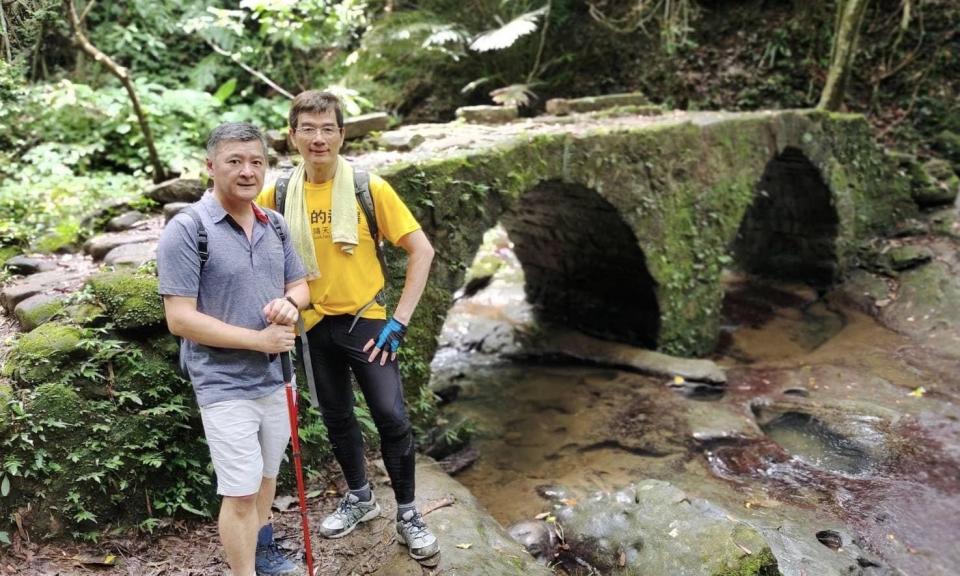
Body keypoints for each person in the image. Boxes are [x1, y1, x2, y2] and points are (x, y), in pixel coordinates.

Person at [255, 90, 439, 561]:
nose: (319, 138)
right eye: (308, 129)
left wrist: (398, 321)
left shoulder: (367, 187)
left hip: (368, 322)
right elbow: (242, 239)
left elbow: (422, 250)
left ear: (342, 134)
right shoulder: (275, 193)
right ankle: (361, 497)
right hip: (311, 324)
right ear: (293, 135)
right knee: (336, 416)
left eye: (328, 128)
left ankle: (409, 513)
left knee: (391, 416)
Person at [157, 122, 310, 576]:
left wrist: (289, 303)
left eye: (257, 162)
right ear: (210, 166)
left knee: (266, 477)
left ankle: (263, 553)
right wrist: (258, 340)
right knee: (240, 491)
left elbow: (300, 286)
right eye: (235, 161)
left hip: (278, 377)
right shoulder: (188, 229)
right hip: (224, 383)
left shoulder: (274, 224)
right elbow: (179, 319)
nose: (248, 171)